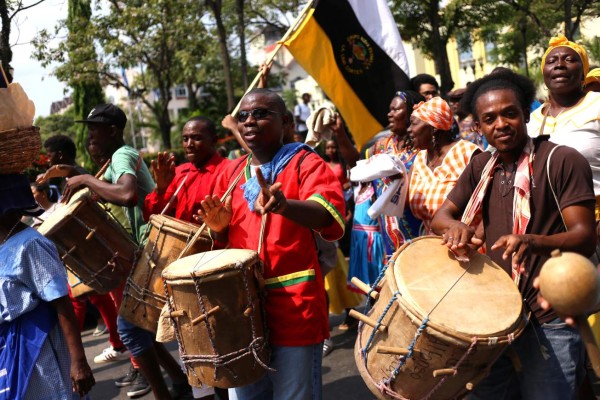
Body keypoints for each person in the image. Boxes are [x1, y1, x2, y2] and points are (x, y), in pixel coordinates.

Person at [431, 69, 597, 399]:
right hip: (494, 314)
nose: (501, 124)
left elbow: (584, 235)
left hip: (549, 311)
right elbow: (441, 217)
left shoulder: (561, 160)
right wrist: (458, 227)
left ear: (526, 114)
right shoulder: (480, 166)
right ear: (477, 128)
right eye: (489, 119)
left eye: (510, 113)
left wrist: (532, 241)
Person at [198, 88, 345, 400]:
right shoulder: (233, 171)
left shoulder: (306, 162)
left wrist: (285, 206)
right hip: (242, 312)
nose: (250, 120)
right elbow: (225, 245)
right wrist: (219, 231)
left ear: (287, 122)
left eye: (262, 113)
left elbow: (328, 216)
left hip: (295, 307)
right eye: (244, 116)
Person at [64, 103, 192, 399]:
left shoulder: (124, 154)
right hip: (141, 251)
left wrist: (84, 179)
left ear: (113, 130)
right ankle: (179, 380)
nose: (90, 133)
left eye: (95, 128)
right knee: (140, 325)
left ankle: (165, 394)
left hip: (153, 247)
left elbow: (127, 194)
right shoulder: (113, 161)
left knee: (130, 328)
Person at [0, 173, 95, 399]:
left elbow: (62, 303)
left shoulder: (30, 244)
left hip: (39, 348)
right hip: (10, 348)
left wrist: (78, 361)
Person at [335, 90, 425, 258]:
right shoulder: (380, 147)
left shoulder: (423, 149)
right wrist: (340, 133)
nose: (389, 114)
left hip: (418, 226)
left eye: (396, 110)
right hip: (389, 231)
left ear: (412, 114)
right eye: (390, 110)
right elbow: (358, 166)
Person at [408, 96, 480, 233]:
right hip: (431, 247)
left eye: (414, 123)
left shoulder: (467, 154)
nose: (409, 129)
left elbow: (491, 204)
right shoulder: (419, 160)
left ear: (434, 128)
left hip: (468, 245)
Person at [144, 116, 230, 221]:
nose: (189, 144)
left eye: (197, 138)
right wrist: (160, 189)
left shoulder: (229, 170)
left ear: (214, 140)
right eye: (185, 139)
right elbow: (150, 216)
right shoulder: (178, 172)